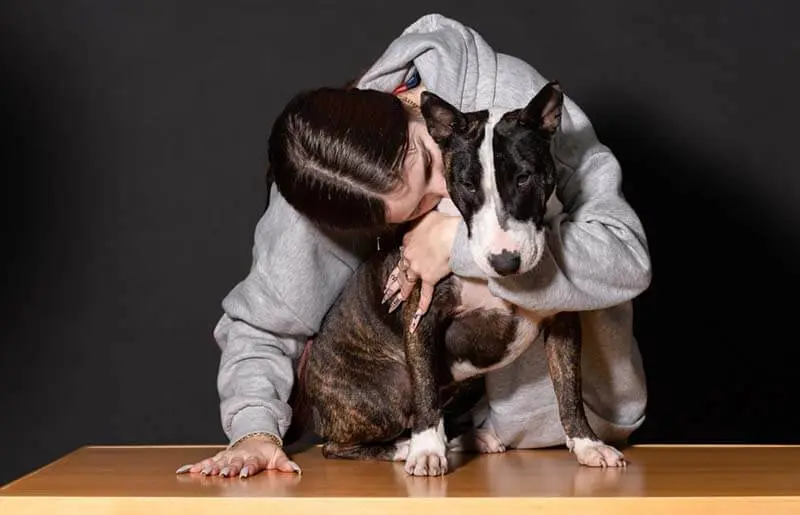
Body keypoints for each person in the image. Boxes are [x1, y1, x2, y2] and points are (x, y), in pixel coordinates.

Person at [175, 13, 652, 478]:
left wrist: (452, 243)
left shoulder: (513, 100)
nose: (447, 194)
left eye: (429, 162)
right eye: (418, 208)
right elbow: (262, 324)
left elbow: (626, 259)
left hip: (566, 426)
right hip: (436, 439)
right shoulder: (320, 188)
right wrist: (254, 430)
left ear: (408, 102)